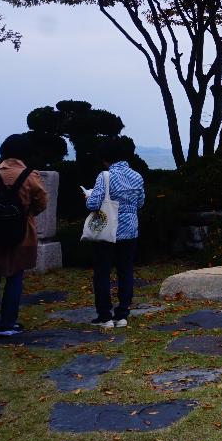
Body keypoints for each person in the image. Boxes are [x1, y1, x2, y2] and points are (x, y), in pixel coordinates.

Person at [0, 133, 49, 339]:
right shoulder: (31, 176)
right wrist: (27, 214)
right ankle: (7, 324)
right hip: (21, 234)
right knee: (15, 276)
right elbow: (41, 203)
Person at [86, 137, 145, 328]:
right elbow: (140, 202)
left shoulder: (105, 176)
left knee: (102, 273)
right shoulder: (137, 176)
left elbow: (93, 203)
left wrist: (88, 196)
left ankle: (105, 316)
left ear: (105, 158)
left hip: (107, 231)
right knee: (125, 272)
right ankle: (122, 315)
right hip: (130, 231)